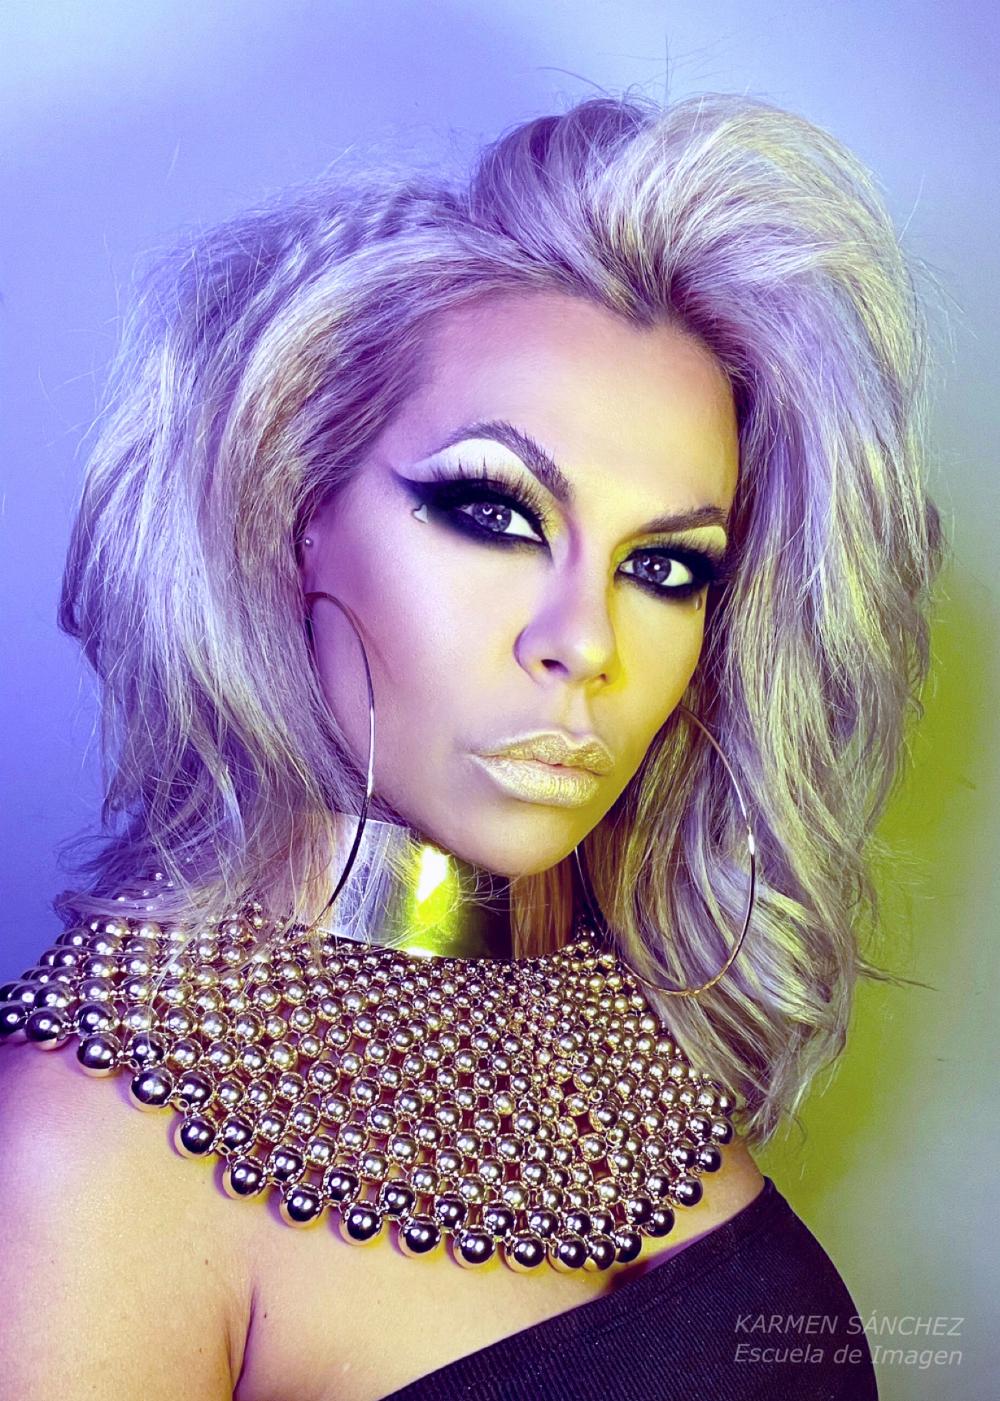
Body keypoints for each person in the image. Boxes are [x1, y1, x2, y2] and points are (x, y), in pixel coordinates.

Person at [0, 90, 944, 1399]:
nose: (586, 643)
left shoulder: (620, 1011)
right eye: (494, 513)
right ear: (291, 511)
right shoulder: (87, 1145)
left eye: (666, 566)